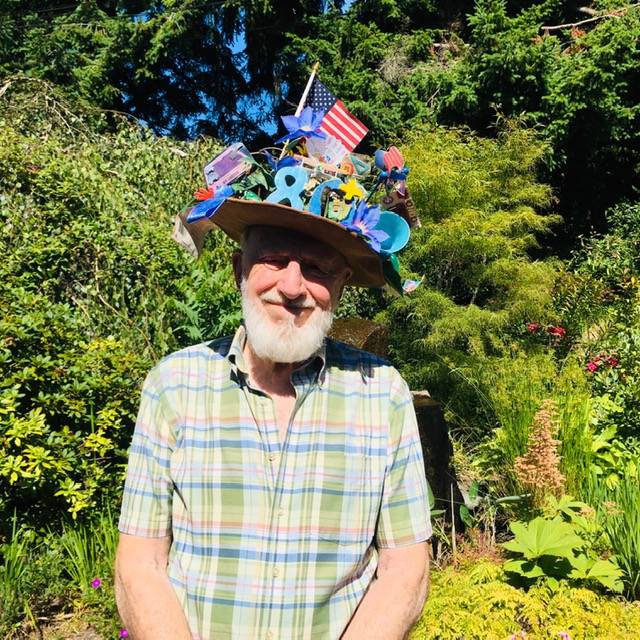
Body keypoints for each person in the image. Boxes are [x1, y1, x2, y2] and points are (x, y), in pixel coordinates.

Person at [115, 140, 432, 639]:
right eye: (275, 259)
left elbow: (405, 565)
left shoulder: (383, 395)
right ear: (239, 271)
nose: (292, 286)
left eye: (317, 267)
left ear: (343, 283)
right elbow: (141, 561)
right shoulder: (175, 385)